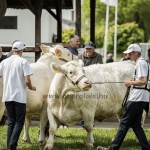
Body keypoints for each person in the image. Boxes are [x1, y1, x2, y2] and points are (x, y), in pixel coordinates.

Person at [97, 43, 150, 150]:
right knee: (136, 125)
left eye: (130, 54)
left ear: (136, 53)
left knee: (124, 123)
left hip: (137, 98)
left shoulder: (140, 63)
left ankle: (113, 148)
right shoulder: (144, 63)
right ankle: (146, 147)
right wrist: (133, 81)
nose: (128, 56)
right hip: (142, 97)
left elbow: (144, 81)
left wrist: (130, 83)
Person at [0, 41, 36, 150]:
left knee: (11, 122)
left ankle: (10, 146)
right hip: (19, 96)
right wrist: (31, 87)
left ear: (12, 50)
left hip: (7, 96)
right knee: (19, 122)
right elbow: (27, 80)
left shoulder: (4, 62)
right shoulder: (23, 62)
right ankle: (12, 145)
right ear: (21, 50)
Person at [78, 41, 103, 128]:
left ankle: (91, 121)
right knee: (82, 101)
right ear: (84, 49)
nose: (88, 50)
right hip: (83, 82)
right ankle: (84, 122)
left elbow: (99, 69)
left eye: (90, 49)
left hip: (94, 82)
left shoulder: (98, 56)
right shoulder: (80, 56)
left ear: (93, 49)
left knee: (92, 102)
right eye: (86, 48)